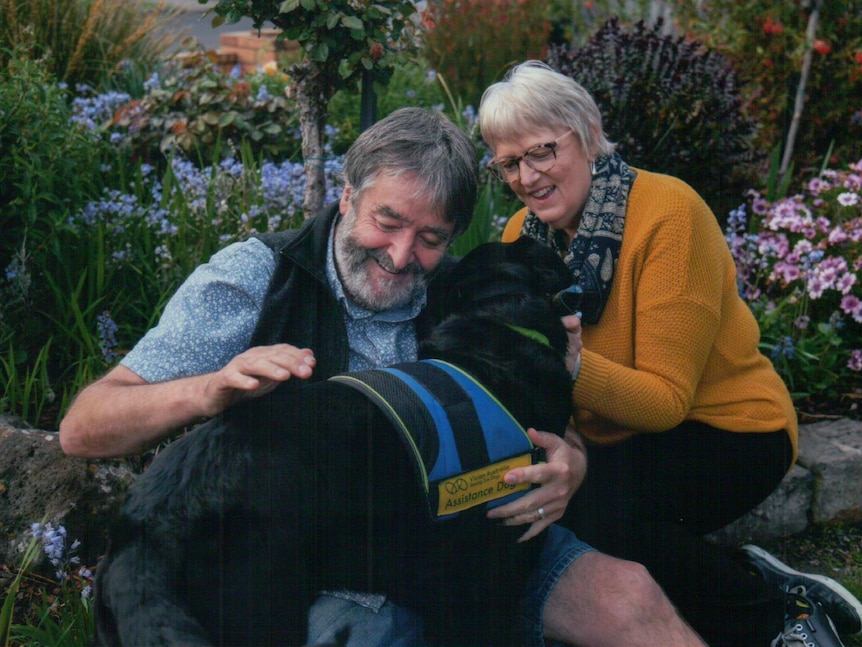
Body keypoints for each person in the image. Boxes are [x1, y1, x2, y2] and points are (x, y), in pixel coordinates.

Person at [61, 106, 706, 646]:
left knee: (632, 598)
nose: (402, 256)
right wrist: (206, 389)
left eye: (430, 237)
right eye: (388, 222)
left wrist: (573, 464)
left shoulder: (465, 294)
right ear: (347, 196)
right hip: (301, 564)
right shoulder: (258, 276)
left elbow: (548, 425)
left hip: (468, 540)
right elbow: (84, 427)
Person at [478, 60, 862, 647]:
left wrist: (570, 363)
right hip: (615, 438)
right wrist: (567, 448)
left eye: (540, 152)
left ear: (584, 133)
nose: (526, 177)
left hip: (731, 425)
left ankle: (782, 617)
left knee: (606, 517)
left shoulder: (668, 213)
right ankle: (746, 573)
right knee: (547, 501)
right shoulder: (518, 237)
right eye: (509, 163)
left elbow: (664, 401)